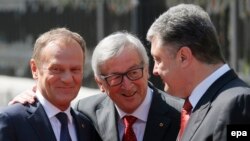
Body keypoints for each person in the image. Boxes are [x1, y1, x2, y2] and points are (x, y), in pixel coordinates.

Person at [9, 32, 183, 141]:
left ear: (146, 70)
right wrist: (33, 97)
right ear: (100, 83)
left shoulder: (183, 116)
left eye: (134, 72)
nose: (127, 84)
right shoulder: (86, 114)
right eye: (115, 77)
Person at [146, 3, 250, 141]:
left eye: (158, 60)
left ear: (183, 57)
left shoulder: (237, 104)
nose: (155, 71)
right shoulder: (195, 107)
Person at [0, 28, 101, 141]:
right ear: (35, 69)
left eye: (75, 69)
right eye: (57, 69)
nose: (67, 79)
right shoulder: (12, 121)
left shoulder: (87, 127)